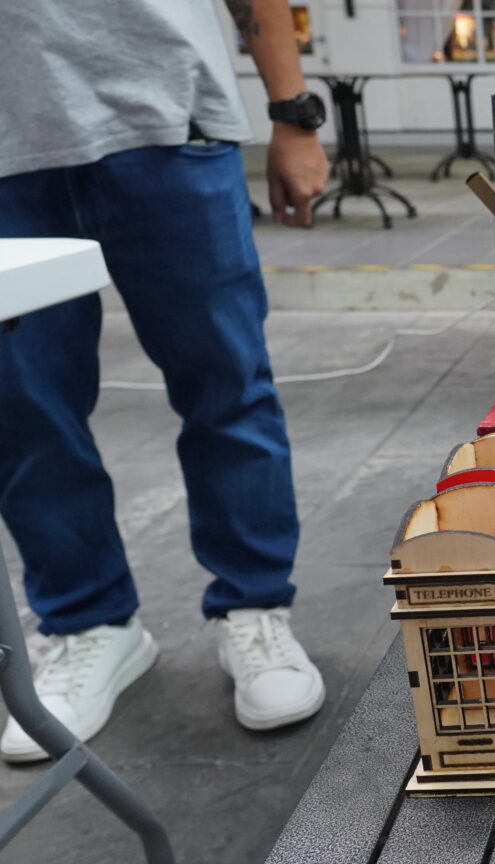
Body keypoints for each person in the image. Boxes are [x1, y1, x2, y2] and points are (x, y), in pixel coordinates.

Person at [0, 0, 331, 761]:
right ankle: (89, 625)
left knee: (227, 385)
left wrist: (293, 112)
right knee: (24, 407)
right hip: (7, 144)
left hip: (169, 111)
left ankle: (254, 610)